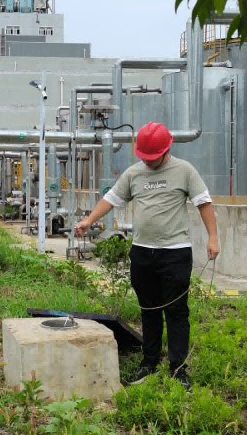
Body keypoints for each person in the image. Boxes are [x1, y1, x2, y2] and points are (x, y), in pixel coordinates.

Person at [75, 122, 219, 388]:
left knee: (176, 311)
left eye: (154, 158)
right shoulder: (133, 174)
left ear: (167, 150)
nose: (150, 163)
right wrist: (89, 220)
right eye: (146, 158)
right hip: (142, 253)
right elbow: (112, 199)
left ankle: (178, 369)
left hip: (175, 254)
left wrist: (213, 237)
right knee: (149, 310)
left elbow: (204, 203)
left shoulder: (184, 171)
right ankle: (149, 363)